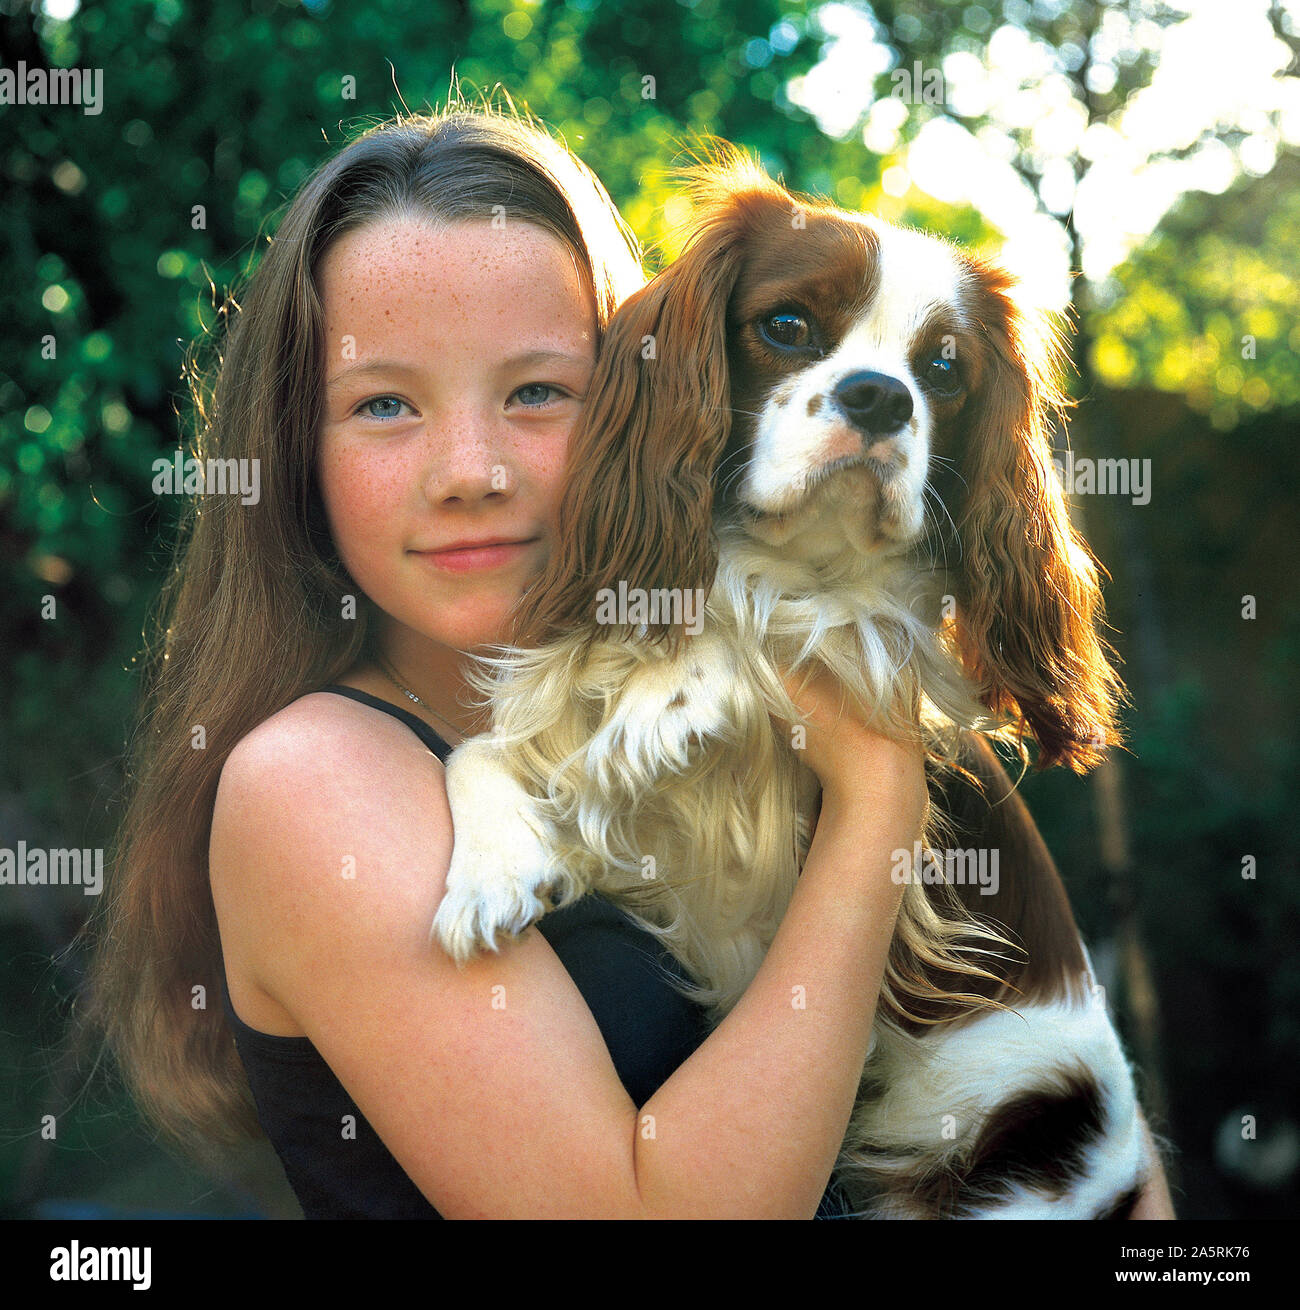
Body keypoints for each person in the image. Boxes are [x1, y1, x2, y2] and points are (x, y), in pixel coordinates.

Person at [81, 100, 1171, 1220]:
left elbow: (1123, 1176)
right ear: (293, 449)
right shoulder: (311, 783)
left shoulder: (840, 688)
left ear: (640, 391)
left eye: (538, 390)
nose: (470, 471)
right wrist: (877, 794)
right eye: (384, 402)